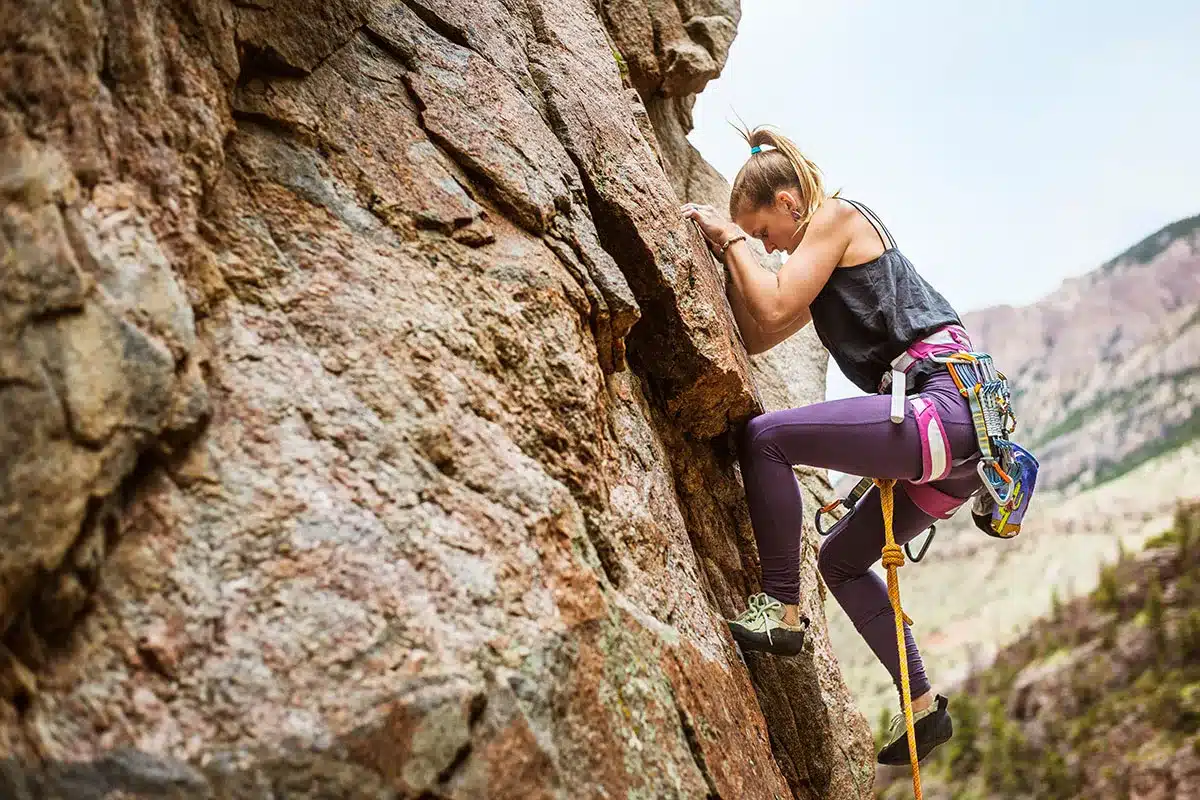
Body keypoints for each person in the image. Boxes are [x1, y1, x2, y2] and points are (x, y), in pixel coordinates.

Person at [680, 125, 978, 766]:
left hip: (937, 407)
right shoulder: (817, 267)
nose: (768, 245)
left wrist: (728, 239)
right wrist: (734, 254)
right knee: (841, 560)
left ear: (790, 202)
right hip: (956, 448)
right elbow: (760, 331)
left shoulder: (838, 217)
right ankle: (923, 705)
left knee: (765, 439)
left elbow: (775, 297)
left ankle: (781, 609)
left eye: (765, 231)